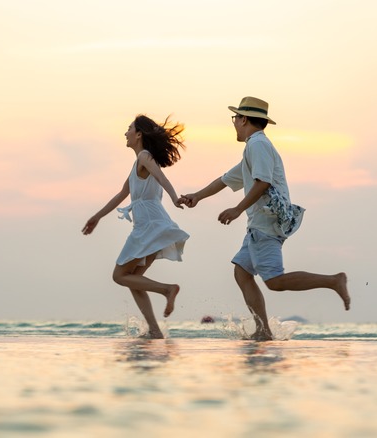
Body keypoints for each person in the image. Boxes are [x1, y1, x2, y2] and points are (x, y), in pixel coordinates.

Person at [179, 96, 350, 341]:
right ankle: (263, 331)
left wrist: (237, 209)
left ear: (244, 119)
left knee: (274, 281)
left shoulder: (257, 145)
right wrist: (197, 196)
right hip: (259, 223)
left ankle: (334, 281)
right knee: (242, 272)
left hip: (266, 222)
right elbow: (227, 179)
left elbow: (263, 182)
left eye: (236, 118)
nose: (234, 123)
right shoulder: (254, 146)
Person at [82, 115, 189, 339]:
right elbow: (122, 195)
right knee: (134, 280)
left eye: (129, 129)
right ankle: (155, 331)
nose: (126, 133)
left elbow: (160, 176)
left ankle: (167, 289)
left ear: (139, 134)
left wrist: (173, 197)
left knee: (119, 275)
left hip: (149, 226)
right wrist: (97, 216)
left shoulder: (144, 155)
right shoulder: (137, 163)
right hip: (152, 224)